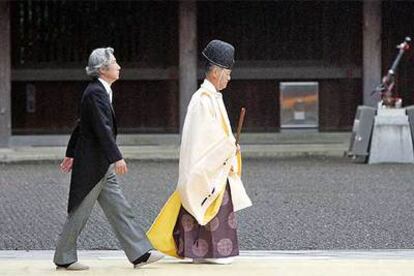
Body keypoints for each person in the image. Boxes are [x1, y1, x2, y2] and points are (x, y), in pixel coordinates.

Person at [53, 47, 163, 270]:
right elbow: (101, 129)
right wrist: (117, 156)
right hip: (94, 163)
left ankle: (139, 252)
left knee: (120, 208)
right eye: (115, 62)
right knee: (80, 211)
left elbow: (82, 124)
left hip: (100, 162)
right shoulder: (95, 93)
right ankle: (64, 257)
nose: (119, 66)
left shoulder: (100, 91)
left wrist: (70, 152)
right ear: (103, 69)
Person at [148, 40, 252, 264]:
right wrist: (227, 146)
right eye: (227, 73)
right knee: (208, 202)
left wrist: (230, 146)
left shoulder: (212, 97)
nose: (229, 78)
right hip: (207, 165)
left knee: (212, 205)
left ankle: (205, 251)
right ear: (216, 73)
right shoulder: (201, 101)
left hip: (216, 163)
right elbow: (204, 138)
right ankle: (211, 252)